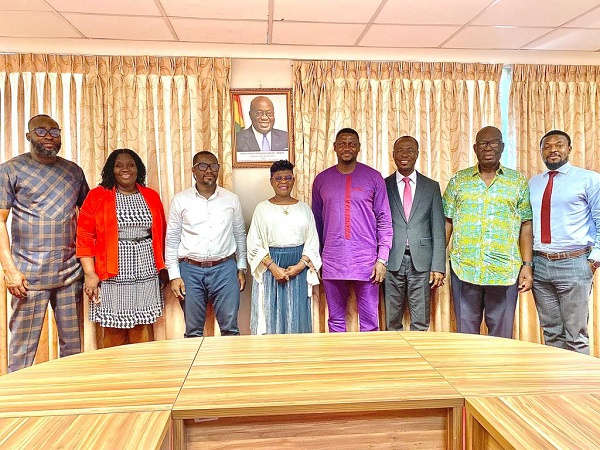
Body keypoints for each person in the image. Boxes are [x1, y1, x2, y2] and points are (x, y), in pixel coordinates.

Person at [0, 114, 89, 372]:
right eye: (41, 131)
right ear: (28, 136)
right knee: (23, 349)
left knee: (73, 350)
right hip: (28, 277)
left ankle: (72, 401)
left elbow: (89, 217)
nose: (49, 136)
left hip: (70, 273)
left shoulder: (73, 171)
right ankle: (18, 405)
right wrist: (10, 271)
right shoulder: (10, 170)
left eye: (54, 131)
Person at [443, 126, 533, 339]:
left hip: (504, 270)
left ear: (502, 147)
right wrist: (438, 263)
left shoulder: (517, 181)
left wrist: (527, 266)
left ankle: (498, 372)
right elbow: (447, 222)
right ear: (475, 148)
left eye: (494, 143)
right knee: (466, 336)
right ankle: (467, 372)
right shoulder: (459, 180)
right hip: (464, 268)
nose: (488, 147)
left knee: (501, 337)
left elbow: (526, 225)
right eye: (483, 143)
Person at [76, 149, 167, 347]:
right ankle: (113, 373)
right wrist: (90, 274)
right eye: (119, 165)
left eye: (131, 165)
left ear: (138, 169)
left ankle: (140, 374)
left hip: (145, 268)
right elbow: (84, 237)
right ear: (111, 170)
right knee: (113, 327)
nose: (125, 169)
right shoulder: (97, 196)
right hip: (112, 271)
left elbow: (161, 233)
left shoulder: (150, 196)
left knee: (142, 326)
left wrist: (163, 267)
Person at [312, 128, 392, 332]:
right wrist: (317, 259)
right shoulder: (322, 180)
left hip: (366, 261)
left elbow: (384, 219)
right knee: (336, 321)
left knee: (370, 322)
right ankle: (340, 362)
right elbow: (317, 222)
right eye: (342, 143)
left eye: (352, 143)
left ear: (358, 148)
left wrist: (382, 259)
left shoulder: (373, 177)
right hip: (332, 260)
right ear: (334, 148)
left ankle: (367, 362)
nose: (347, 147)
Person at [529, 130, 600, 354]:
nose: (553, 150)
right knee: (551, 332)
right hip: (540, 265)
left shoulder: (589, 179)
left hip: (574, 263)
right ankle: (557, 383)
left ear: (569, 149)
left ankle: (579, 387)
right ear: (541, 152)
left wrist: (594, 258)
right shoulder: (534, 183)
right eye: (547, 146)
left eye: (559, 145)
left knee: (576, 334)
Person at [166, 151, 247, 337]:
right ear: (193, 170)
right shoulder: (181, 200)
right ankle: (196, 366)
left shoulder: (230, 199)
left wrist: (241, 267)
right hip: (190, 270)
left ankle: (230, 366)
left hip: (225, 269)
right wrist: (174, 276)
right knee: (193, 331)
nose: (208, 170)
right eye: (203, 166)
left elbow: (239, 234)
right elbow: (171, 240)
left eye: (213, 166)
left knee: (230, 329)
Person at [247, 160, 321, 335]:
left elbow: (312, 241)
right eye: (278, 178)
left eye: (288, 177)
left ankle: (297, 357)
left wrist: (300, 266)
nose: (283, 181)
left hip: (298, 267)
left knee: (297, 315)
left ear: (294, 180)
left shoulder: (304, 208)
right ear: (271, 181)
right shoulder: (262, 209)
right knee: (271, 315)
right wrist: (273, 268)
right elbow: (254, 243)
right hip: (271, 266)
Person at [384, 136, 445, 331]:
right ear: (393, 154)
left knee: (420, 321)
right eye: (400, 150)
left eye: (410, 150)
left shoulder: (431, 186)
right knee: (392, 320)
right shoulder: (383, 185)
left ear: (417, 154)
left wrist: (438, 266)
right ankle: (396, 358)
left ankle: (419, 359)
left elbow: (438, 228)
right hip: (392, 260)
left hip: (422, 262)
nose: (404, 155)